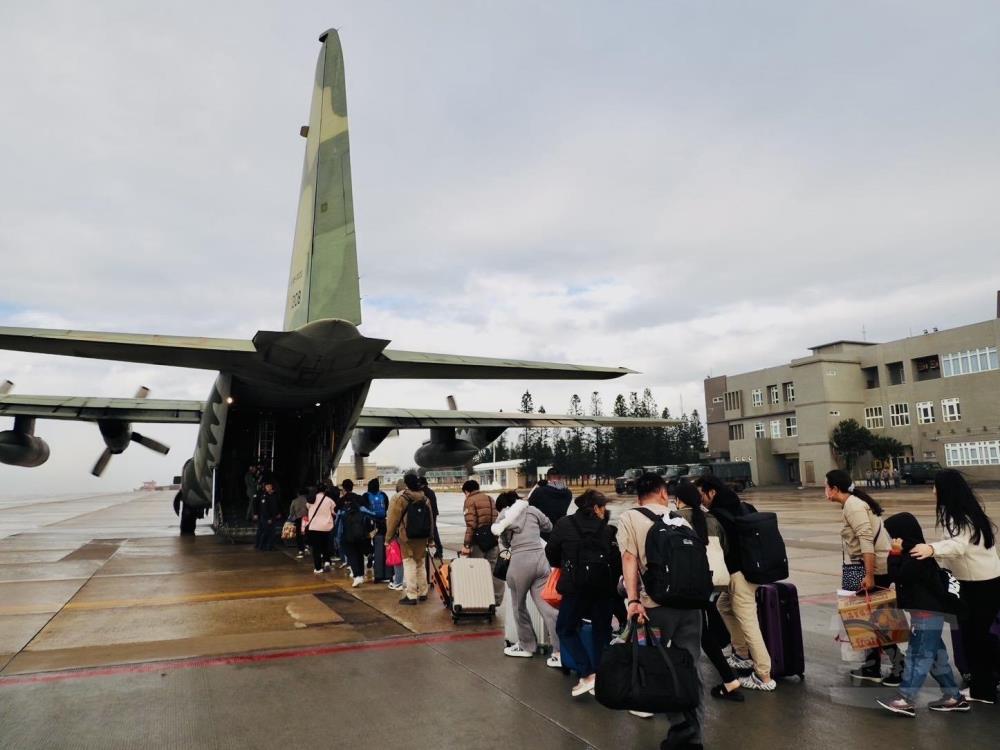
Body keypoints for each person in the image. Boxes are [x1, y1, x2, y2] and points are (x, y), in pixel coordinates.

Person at [617, 472, 704, 747]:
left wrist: (633, 600)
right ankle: (693, 731)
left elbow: (629, 559)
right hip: (691, 606)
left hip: (655, 606)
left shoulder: (630, 517)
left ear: (638, 494)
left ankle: (672, 723)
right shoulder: (679, 518)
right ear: (664, 493)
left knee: (655, 663)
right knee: (690, 664)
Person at [911, 469, 1000, 704]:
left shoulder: (957, 516)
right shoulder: (970, 512)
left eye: (935, 487)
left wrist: (931, 549)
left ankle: (984, 691)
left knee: (974, 639)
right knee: (977, 637)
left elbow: (958, 546)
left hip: (977, 585)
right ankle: (987, 683)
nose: (932, 492)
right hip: (986, 581)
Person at [876, 512, 969, 716]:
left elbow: (898, 576)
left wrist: (894, 554)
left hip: (926, 615)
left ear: (902, 534)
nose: (892, 539)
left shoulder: (916, 555)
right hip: (927, 613)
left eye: (893, 535)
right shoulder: (914, 553)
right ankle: (953, 696)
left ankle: (905, 698)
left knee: (917, 655)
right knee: (936, 656)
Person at [696, 474, 776, 692]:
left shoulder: (717, 515)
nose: (700, 498)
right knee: (723, 605)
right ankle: (741, 654)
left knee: (748, 620)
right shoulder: (744, 507)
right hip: (753, 570)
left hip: (739, 575)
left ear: (711, 492)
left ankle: (764, 675)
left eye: (701, 493)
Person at [825, 468, 902, 685]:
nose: (824, 490)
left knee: (878, 621)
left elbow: (866, 541)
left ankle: (899, 666)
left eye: (826, 485)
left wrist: (869, 576)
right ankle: (872, 666)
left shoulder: (853, 505)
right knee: (862, 620)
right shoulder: (851, 504)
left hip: (871, 569)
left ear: (835, 488)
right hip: (857, 567)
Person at [545, 488, 619, 696]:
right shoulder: (607, 529)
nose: (605, 511)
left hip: (575, 587)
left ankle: (587, 673)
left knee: (566, 628)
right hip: (604, 588)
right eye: (603, 507)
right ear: (595, 507)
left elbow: (551, 552)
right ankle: (600, 677)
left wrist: (567, 565)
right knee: (601, 632)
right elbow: (616, 560)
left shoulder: (564, 524)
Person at [674, 481, 743, 702]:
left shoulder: (675, 518)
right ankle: (729, 680)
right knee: (703, 630)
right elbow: (726, 548)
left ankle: (674, 688)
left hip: (688, 582)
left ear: (679, 499)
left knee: (685, 632)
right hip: (711, 582)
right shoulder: (711, 518)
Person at [493, 489, 560, 666]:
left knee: (518, 606)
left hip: (519, 562)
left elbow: (503, 541)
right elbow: (549, 526)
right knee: (548, 609)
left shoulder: (505, 515)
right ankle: (559, 652)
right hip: (540, 560)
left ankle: (526, 646)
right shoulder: (533, 510)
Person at [385, 473, 431, 605]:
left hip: (407, 536)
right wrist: (431, 537)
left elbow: (393, 520)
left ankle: (411, 595)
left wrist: (388, 538)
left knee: (409, 563)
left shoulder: (401, 498)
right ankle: (423, 592)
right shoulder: (425, 498)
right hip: (422, 536)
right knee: (420, 563)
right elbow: (431, 519)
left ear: (406, 484)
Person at [461, 479, 504, 605]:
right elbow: (497, 518)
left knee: (477, 570)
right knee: (494, 570)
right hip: (492, 538)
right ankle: (496, 599)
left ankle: (479, 599)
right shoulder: (490, 498)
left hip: (478, 541)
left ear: (467, 491)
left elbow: (471, 524)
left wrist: (467, 544)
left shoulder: (469, 500)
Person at [339, 479, 372, 588]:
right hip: (360, 531)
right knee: (359, 553)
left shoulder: (342, 500)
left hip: (347, 531)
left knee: (351, 554)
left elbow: (336, 513)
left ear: (343, 488)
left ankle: (357, 576)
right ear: (353, 487)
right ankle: (361, 575)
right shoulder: (360, 498)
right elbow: (368, 511)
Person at [530, 468, 573, 541]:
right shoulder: (568, 493)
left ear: (547, 477)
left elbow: (530, 504)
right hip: (560, 527)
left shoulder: (539, 491)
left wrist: (538, 486)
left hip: (543, 529)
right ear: (560, 477)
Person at [361, 478, 390, 582]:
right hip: (381, 523)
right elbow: (386, 507)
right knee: (380, 545)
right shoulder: (383, 495)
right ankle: (381, 566)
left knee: (367, 541)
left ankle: (369, 554)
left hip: (369, 523)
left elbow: (362, 508)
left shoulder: (365, 496)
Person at [303, 484, 336, 573]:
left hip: (314, 527)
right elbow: (334, 511)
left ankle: (318, 568)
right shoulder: (329, 500)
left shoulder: (311, 500)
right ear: (325, 491)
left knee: (316, 548)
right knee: (326, 545)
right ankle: (327, 562)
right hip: (326, 527)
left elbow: (307, 507)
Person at [418, 476, 445, 561]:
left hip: (427, 515)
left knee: (428, 531)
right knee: (434, 531)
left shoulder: (422, 493)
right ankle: (439, 550)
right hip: (433, 513)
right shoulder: (430, 491)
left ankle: (430, 549)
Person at [253, 476, 283, 551]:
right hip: (266, 517)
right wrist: (268, 518)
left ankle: (268, 546)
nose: (269, 488)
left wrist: (278, 513)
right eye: (267, 486)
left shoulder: (274, 495)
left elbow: (277, 505)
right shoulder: (264, 496)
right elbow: (264, 508)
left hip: (273, 516)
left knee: (270, 532)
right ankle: (261, 546)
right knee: (266, 532)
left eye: (270, 486)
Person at [288, 489, 309, 558]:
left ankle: (301, 549)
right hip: (307, 519)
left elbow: (291, 512)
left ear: (298, 494)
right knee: (306, 533)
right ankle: (307, 546)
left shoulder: (294, 501)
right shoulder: (308, 500)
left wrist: (290, 518)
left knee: (299, 534)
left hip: (298, 519)